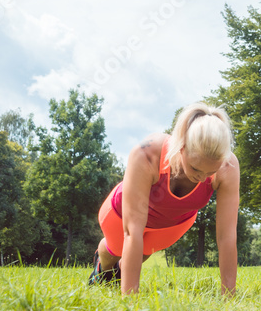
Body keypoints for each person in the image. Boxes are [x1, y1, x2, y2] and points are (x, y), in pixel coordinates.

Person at [89, 102, 241, 295]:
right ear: (182, 147)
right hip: (120, 215)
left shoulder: (228, 167)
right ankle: (103, 267)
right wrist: (130, 301)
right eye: (195, 168)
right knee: (116, 249)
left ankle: (120, 272)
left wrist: (229, 296)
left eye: (211, 171)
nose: (202, 178)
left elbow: (226, 236)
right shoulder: (147, 153)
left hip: (171, 224)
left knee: (143, 253)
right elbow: (132, 232)